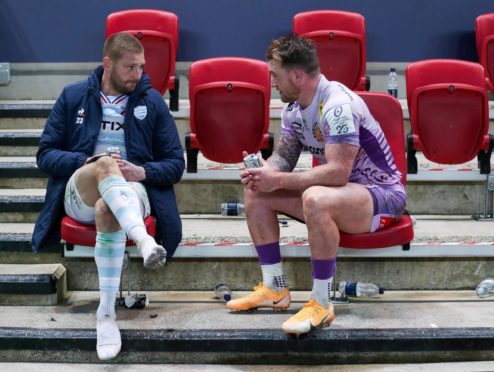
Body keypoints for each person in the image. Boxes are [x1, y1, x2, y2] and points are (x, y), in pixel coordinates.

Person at [226, 34, 406, 334]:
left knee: (316, 198)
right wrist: (263, 171)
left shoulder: (338, 105)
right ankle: (275, 288)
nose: (272, 83)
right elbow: (284, 157)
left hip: (382, 196)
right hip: (341, 195)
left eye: (275, 75)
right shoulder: (294, 109)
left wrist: (278, 180)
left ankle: (321, 302)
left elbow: (338, 173)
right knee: (256, 192)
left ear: (297, 75)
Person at [31, 32, 184, 359]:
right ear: (107, 64)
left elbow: (175, 164)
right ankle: (143, 240)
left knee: (108, 208)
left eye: (141, 67)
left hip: (131, 191)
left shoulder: (152, 102)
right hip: (81, 187)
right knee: (102, 166)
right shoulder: (73, 96)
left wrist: (140, 172)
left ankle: (106, 314)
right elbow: (45, 155)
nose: (138, 75)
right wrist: (85, 161)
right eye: (130, 67)